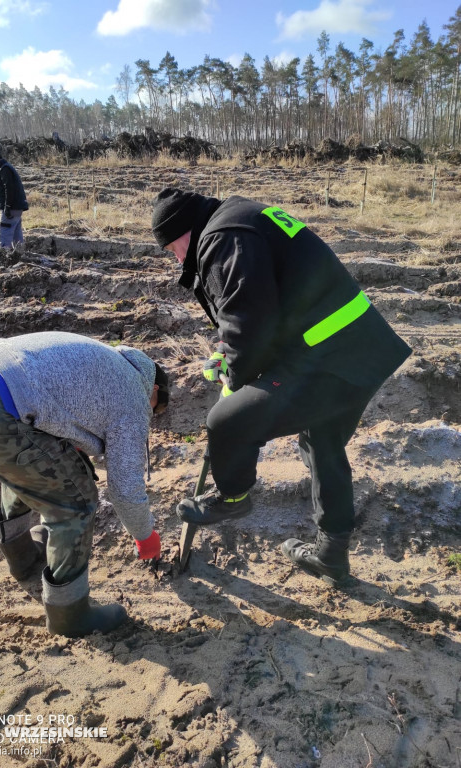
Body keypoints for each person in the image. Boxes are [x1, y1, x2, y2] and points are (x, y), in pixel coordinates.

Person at [151, 187, 411, 586]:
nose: (176, 258)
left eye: (172, 248)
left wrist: (234, 379)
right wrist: (230, 355)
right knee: (322, 442)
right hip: (359, 348)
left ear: (183, 231)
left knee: (226, 422)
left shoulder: (222, 237)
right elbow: (269, 302)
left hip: (330, 357)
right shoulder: (239, 217)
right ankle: (331, 556)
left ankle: (232, 496)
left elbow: (249, 323)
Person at [0, 332, 169, 637]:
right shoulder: (134, 393)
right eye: (156, 408)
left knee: (28, 465)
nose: (151, 416)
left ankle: (24, 559)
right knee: (76, 502)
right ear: (154, 389)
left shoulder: (106, 363)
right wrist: (145, 537)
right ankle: (71, 617)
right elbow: (125, 488)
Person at [0, 149, 29, 249]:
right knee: (16, 231)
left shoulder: (4, 169)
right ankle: (19, 253)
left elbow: (9, 188)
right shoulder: (7, 167)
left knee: (3, 230)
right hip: (17, 207)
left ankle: (4, 254)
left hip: (12, 207)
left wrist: (7, 206)